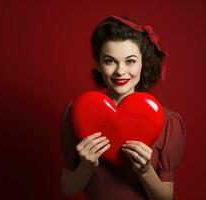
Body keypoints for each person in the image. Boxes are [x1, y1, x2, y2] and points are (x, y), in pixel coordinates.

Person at [60, 15, 186, 200]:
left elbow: (166, 198)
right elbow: (68, 189)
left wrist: (145, 171)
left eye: (130, 61)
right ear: (97, 63)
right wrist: (86, 166)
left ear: (143, 62)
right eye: (110, 61)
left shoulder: (168, 122)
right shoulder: (77, 113)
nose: (120, 71)